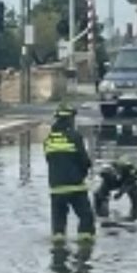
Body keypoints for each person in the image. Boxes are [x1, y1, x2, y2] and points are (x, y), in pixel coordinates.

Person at [43, 103, 95, 242]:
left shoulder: (49, 139)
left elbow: (49, 160)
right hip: (76, 186)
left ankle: (58, 247)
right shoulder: (75, 136)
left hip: (56, 188)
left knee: (58, 225)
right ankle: (85, 249)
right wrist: (84, 172)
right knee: (86, 217)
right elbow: (84, 160)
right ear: (70, 118)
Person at [93, 156, 137, 222]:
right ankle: (101, 213)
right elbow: (101, 191)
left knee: (135, 195)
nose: (106, 178)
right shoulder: (107, 177)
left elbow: (130, 184)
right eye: (105, 177)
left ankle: (135, 214)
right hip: (116, 181)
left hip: (128, 181)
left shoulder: (128, 169)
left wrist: (120, 193)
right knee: (98, 195)